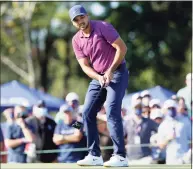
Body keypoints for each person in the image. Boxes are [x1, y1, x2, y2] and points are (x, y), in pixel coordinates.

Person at [69, 4, 129, 167]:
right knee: (87, 111)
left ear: (87, 15)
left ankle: (120, 156)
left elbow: (122, 48)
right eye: (76, 20)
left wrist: (110, 71)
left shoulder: (103, 27)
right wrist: (98, 76)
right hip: (98, 76)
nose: (80, 21)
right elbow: (84, 66)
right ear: (73, 23)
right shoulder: (76, 40)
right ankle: (94, 155)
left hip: (118, 72)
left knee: (111, 109)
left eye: (82, 17)